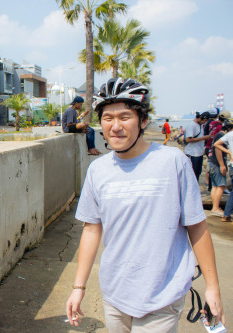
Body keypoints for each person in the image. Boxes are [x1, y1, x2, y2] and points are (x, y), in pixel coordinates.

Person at [65, 77, 225, 331]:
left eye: (125, 116)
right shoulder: (98, 171)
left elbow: (197, 226)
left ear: (143, 120)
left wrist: (213, 289)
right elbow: (91, 229)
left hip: (163, 295)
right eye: (108, 118)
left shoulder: (173, 162)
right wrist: (78, 288)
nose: (115, 126)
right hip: (114, 294)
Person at [207, 120, 233, 216]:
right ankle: (216, 208)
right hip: (216, 163)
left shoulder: (219, 134)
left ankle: (215, 207)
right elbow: (217, 149)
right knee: (221, 186)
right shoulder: (221, 135)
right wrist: (222, 165)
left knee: (215, 186)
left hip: (212, 162)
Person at [184, 111, 211, 181]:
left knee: (198, 172)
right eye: (205, 121)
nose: (205, 122)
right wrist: (204, 138)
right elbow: (188, 140)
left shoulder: (200, 125)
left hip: (199, 153)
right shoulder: (192, 125)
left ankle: (195, 188)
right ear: (200, 118)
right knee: (193, 173)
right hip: (192, 153)